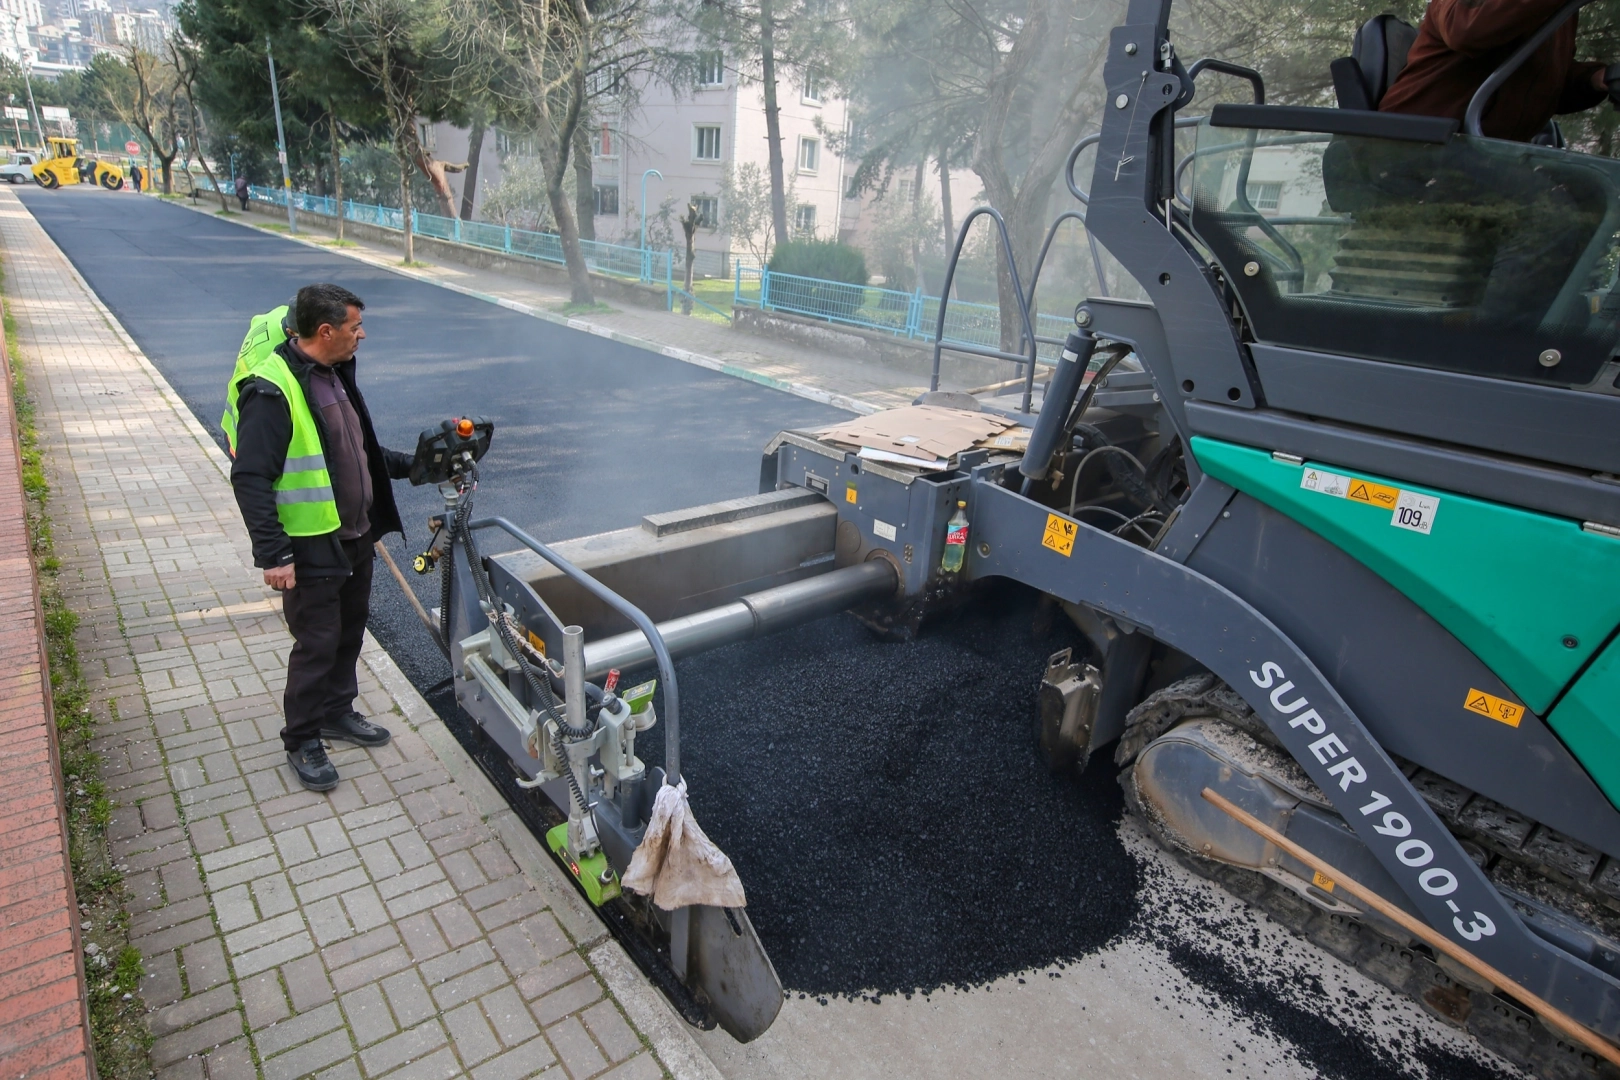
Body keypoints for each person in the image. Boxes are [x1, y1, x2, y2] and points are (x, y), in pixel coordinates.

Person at [226, 284, 414, 791]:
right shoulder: (272, 390)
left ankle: (336, 711)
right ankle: (303, 738)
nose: (361, 335)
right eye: (355, 326)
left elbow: (360, 450)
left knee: (349, 631)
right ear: (326, 330)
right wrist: (273, 554)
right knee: (317, 644)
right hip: (310, 546)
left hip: (354, 537)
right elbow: (251, 477)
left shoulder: (334, 373)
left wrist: (415, 466)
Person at [1380, 0, 1619, 142]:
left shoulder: (1560, 12)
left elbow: (1535, 79)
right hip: (1417, 146)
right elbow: (1466, 28)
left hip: (1490, 156)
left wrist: (1596, 79)